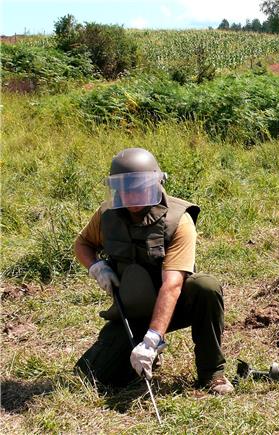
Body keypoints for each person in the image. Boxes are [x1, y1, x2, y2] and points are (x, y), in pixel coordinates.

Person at [74, 147, 233, 395]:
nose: (131, 194)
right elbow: (82, 244)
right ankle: (141, 355)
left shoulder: (178, 220)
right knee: (91, 377)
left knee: (206, 287)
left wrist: (152, 340)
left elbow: (172, 285)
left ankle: (211, 374)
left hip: (176, 304)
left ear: (155, 182)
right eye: (124, 188)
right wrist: (96, 266)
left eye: (138, 186)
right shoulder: (107, 215)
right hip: (133, 309)